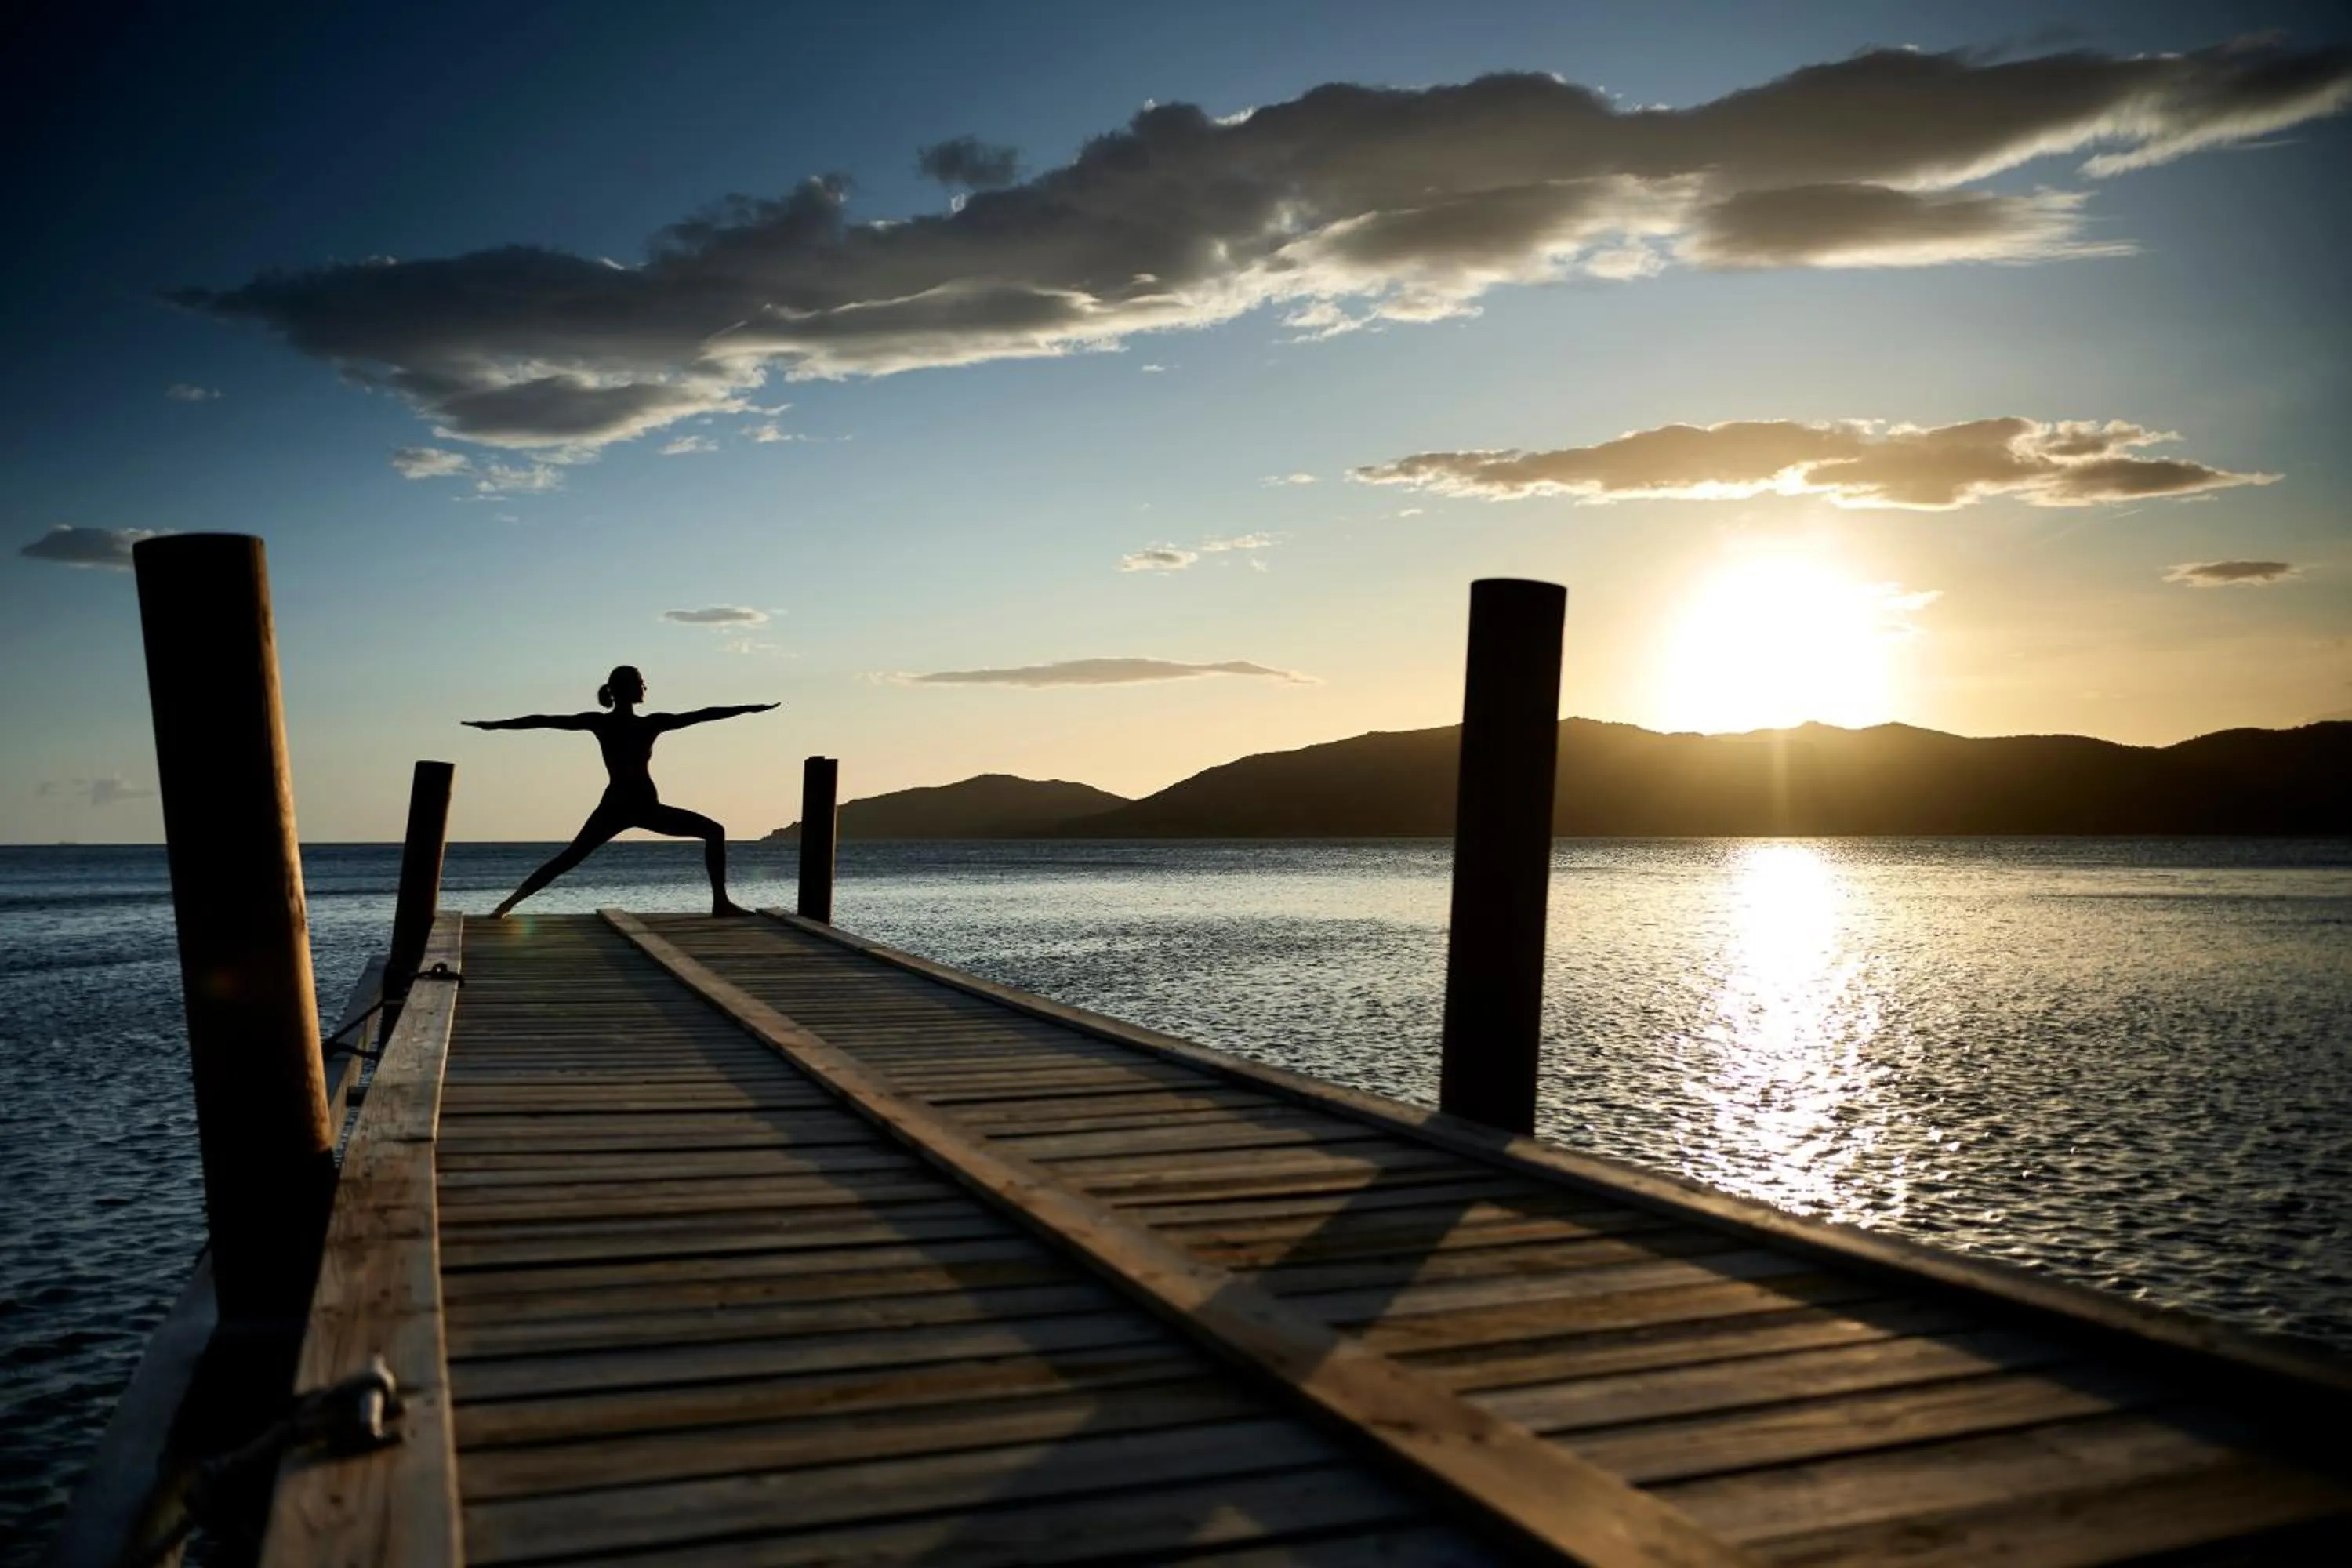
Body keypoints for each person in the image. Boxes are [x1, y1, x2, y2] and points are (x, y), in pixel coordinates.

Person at [465, 665, 779, 917]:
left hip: (635, 805)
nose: (646, 687)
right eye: (642, 682)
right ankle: (507, 905)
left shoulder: (641, 723)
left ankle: (721, 904)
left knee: (713, 831)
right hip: (625, 805)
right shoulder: (622, 723)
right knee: (569, 858)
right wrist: (495, 725)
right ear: (625, 689)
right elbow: (544, 720)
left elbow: (702, 714)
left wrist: (747, 708)